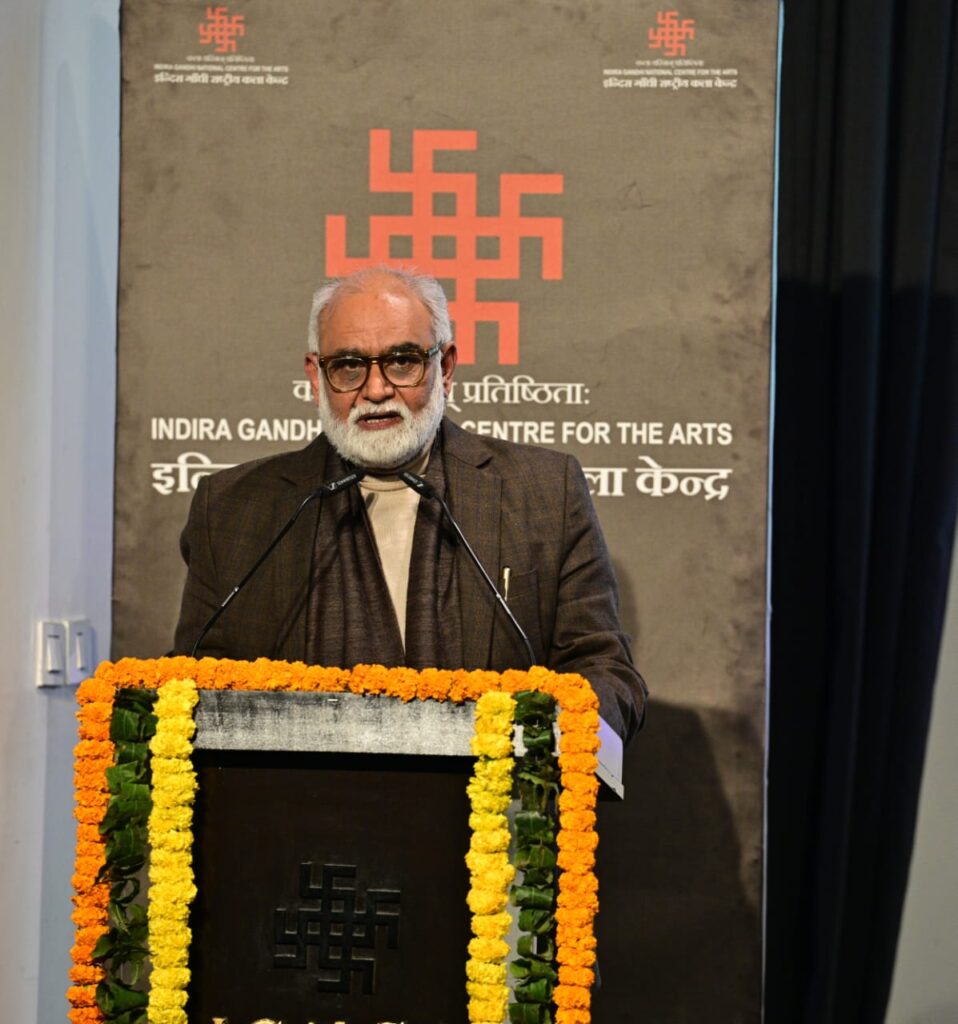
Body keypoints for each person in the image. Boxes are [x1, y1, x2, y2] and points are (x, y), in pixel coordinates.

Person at [174, 267, 646, 739]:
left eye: (402, 362)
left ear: (445, 368)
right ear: (316, 377)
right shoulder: (234, 510)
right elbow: (194, 682)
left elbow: (602, 669)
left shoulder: (543, 492)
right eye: (348, 366)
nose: (376, 390)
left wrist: (544, 737)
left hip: (491, 782)